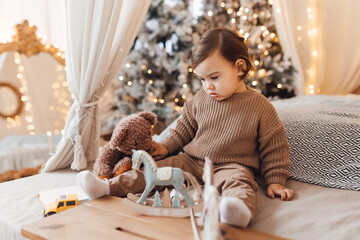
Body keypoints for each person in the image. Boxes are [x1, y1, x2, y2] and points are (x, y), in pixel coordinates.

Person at [77, 27, 295, 228]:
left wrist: (276, 180)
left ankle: (236, 211)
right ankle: (107, 187)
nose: (207, 85)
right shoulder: (201, 98)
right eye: (202, 79)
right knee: (155, 170)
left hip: (231, 165)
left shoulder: (260, 107)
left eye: (214, 77)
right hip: (192, 160)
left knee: (240, 184)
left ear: (239, 68)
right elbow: (183, 128)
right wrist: (165, 147)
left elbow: (274, 146)